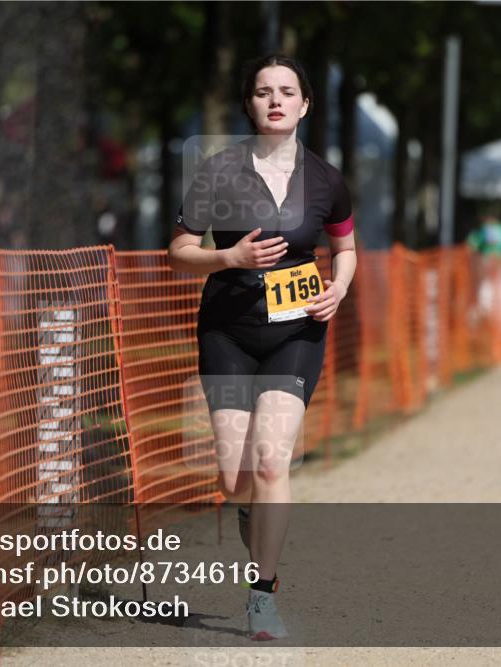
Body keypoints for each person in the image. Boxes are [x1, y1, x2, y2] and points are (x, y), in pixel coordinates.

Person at [167, 54, 356, 641]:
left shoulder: (326, 179)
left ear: (305, 105)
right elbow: (178, 250)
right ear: (249, 104)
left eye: (286, 91)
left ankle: (262, 597)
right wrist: (229, 257)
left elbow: (345, 246)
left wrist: (338, 290)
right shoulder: (219, 172)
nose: (274, 100)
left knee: (273, 460)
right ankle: (253, 509)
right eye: (262, 91)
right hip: (227, 329)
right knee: (234, 478)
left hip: (297, 331)